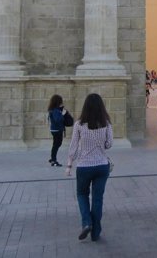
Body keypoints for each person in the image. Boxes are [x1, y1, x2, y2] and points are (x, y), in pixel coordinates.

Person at [66, 93, 113, 242]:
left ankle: (86, 222)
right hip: (101, 166)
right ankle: (96, 232)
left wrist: (68, 165)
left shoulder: (79, 124)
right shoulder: (106, 123)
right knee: (97, 199)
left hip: (84, 166)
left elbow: (73, 146)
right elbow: (109, 144)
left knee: (81, 194)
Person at [48, 94, 66, 167]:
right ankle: (54, 160)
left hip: (54, 129)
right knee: (57, 144)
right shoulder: (55, 110)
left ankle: (53, 158)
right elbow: (57, 119)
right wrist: (62, 114)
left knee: (56, 144)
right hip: (57, 129)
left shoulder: (53, 109)